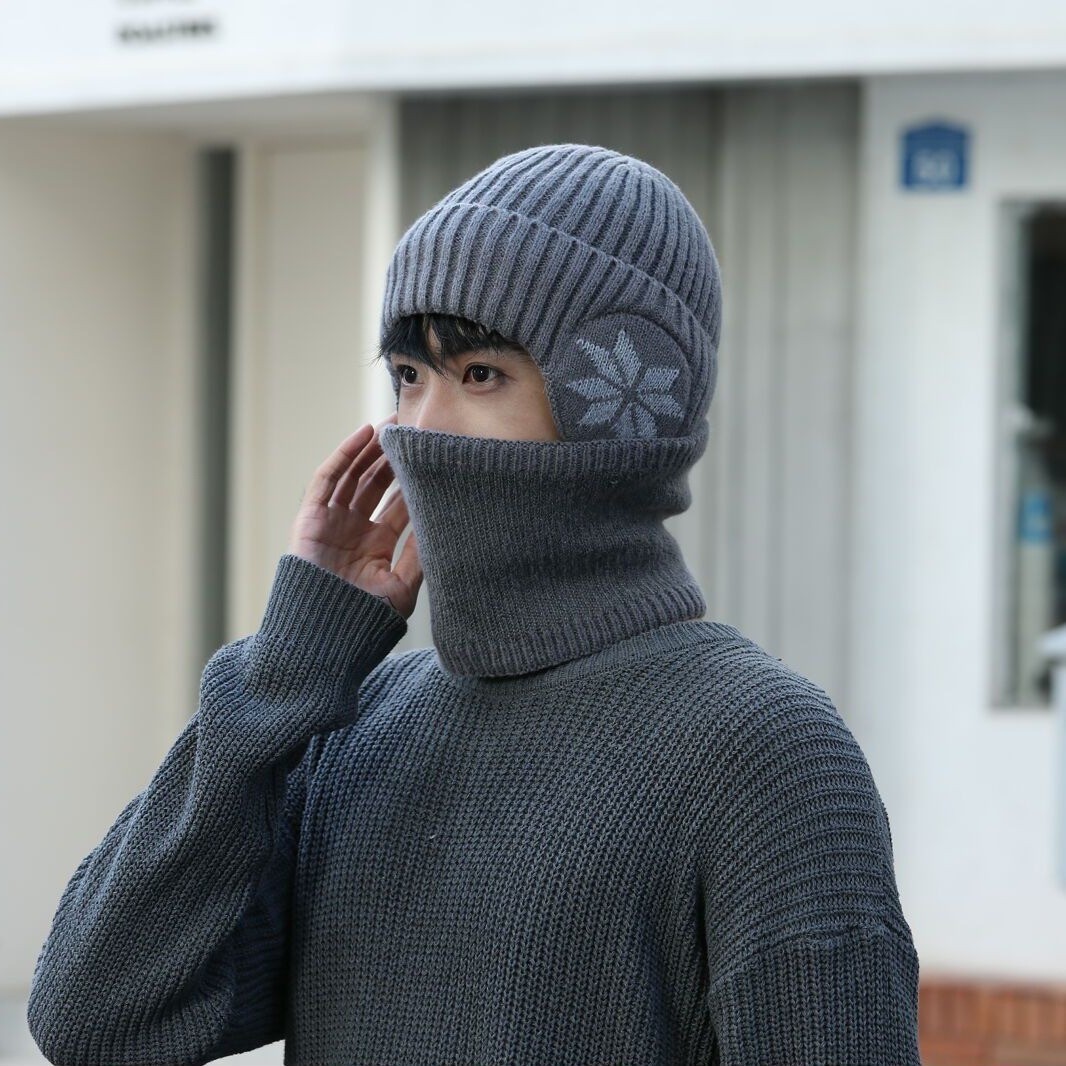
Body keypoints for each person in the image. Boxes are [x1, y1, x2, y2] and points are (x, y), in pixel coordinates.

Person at [27, 143, 921, 1065]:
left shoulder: (763, 749)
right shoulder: (358, 726)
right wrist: (289, 669)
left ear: (624, 403)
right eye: (408, 376)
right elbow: (98, 1020)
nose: (420, 430)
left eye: (481, 374)